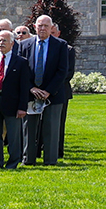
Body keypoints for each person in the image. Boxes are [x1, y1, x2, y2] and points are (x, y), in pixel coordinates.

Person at [31, 14, 76, 163]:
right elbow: (23, 69)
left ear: (51, 28)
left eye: (46, 26)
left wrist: (48, 91)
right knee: (30, 129)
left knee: (52, 128)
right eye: (40, 25)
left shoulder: (61, 45)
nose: (43, 28)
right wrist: (31, 88)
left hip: (54, 94)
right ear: (35, 27)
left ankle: (50, 159)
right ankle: (29, 157)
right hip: (31, 93)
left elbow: (63, 71)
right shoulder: (26, 44)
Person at [0, 27, 30, 167]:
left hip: (12, 104)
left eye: (4, 41)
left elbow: (24, 87)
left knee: (14, 136)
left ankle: (13, 162)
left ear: (12, 43)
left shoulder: (21, 62)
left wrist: (22, 107)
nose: (1, 43)